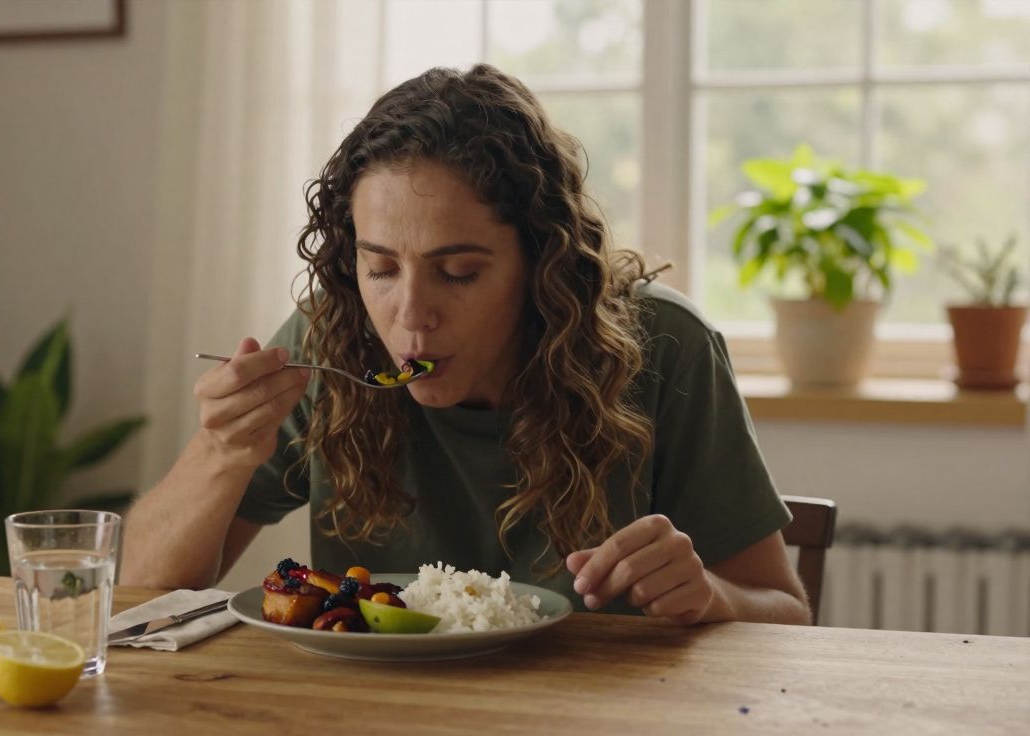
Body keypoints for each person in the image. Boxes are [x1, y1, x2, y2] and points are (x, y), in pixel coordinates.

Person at [122, 64, 810, 625]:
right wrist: (220, 453)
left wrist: (709, 597)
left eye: (459, 272)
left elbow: (784, 611)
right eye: (382, 268)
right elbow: (141, 592)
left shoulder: (661, 346)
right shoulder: (330, 342)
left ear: (541, 264)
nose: (411, 317)